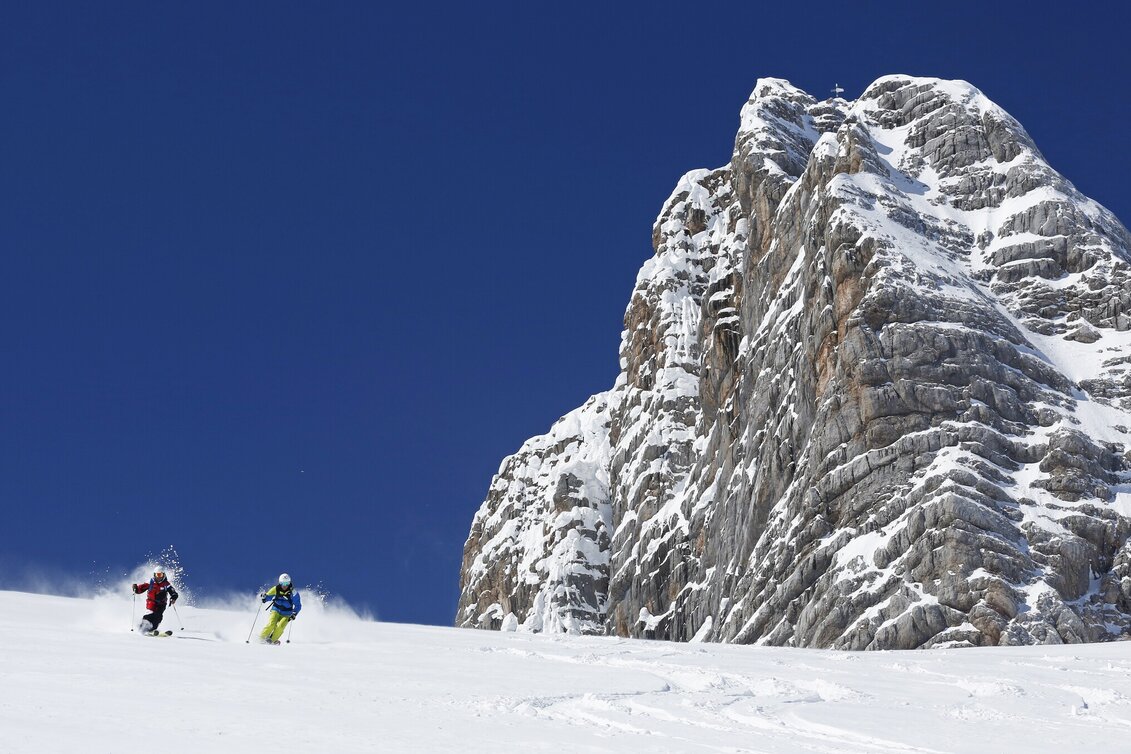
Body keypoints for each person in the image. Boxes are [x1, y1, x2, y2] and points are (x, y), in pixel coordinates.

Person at [132, 566, 179, 635]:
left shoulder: (166, 584)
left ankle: (152, 630)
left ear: (164, 575)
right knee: (150, 615)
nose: (159, 577)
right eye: (157, 575)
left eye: (161, 575)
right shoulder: (150, 582)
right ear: (154, 574)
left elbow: (173, 592)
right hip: (151, 602)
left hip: (162, 604)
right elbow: (141, 589)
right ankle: (142, 628)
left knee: (158, 617)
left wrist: (174, 597)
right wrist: (136, 589)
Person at [259, 572, 301, 644]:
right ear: (280, 583)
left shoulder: (293, 593)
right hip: (275, 610)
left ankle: (272, 640)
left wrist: (294, 613)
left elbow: (298, 605)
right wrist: (264, 598)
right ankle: (261, 638)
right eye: (283, 583)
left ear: (289, 583)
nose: (285, 586)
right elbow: (268, 596)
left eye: (287, 583)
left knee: (280, 627)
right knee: (271, 624)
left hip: (287, 613)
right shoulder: (276, 589)